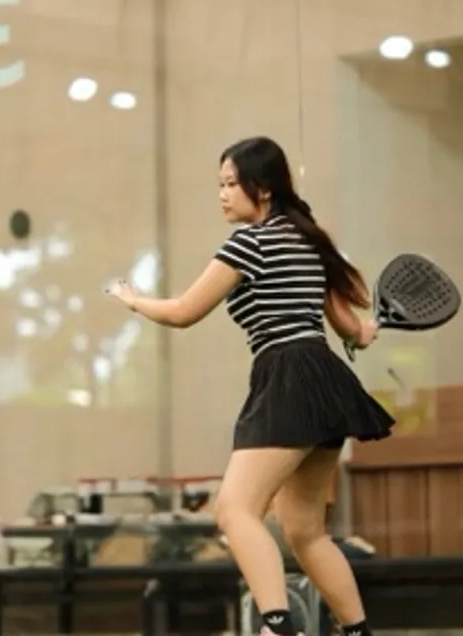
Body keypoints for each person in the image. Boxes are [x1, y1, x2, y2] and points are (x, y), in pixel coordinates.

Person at [106, 136, 395, 636]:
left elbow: (183, 312)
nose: (221, 195)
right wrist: (367, 332)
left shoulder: (249, 243)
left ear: (261, 189)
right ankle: (358, 632)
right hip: (326, 380)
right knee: (305, 531)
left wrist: (133, 301)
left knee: (235, 509)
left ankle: (278, 627)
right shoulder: (309, 241)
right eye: (218, 185)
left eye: (229, 184)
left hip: (287, 377)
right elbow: (352, 330)